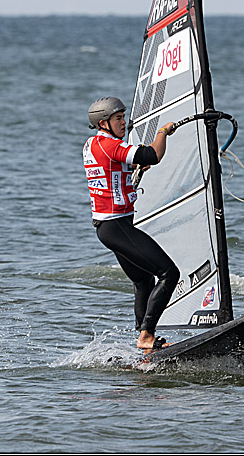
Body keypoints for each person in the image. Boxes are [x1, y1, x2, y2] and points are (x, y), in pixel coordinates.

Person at [83, 96, 179, 350]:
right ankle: (146, 336)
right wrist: (163, 132)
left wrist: (134, 165)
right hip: (116, 226)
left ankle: (144, 341)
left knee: (143, 280)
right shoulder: (109, 144)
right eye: (118, 118)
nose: (124, 122)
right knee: (169, 273)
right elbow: (153, 154)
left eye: (124, 117)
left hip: (109, 228)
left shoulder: (92, 144)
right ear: (103, 123)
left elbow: (111, 166)